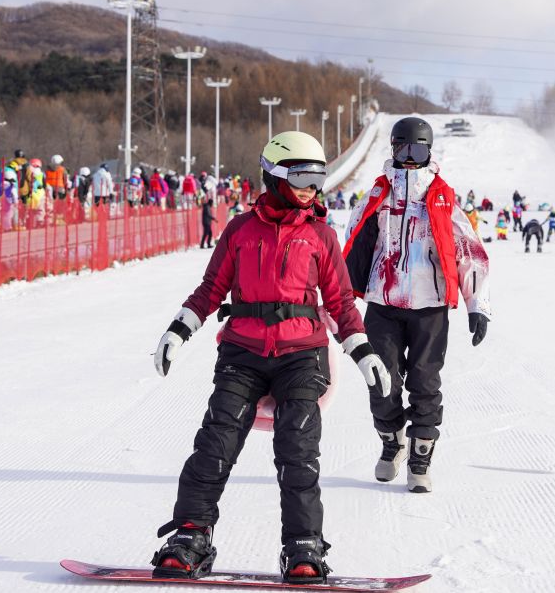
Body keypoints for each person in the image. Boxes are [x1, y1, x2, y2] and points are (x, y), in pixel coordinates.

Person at [149, 131, 388, 585]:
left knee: (298, 452)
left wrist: (364, 353)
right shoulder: (241, 230)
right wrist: (179, 329)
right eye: (301, 176)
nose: (311, 187)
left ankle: (303, 545)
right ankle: (190, 537)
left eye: (318, 177)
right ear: (275, 175)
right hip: (242, 351)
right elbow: (211, 288)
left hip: (302, 355)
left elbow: (340, 303)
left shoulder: (319, 235)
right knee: (215, 444)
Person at [343, 117, 492, 494]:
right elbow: (352, 241)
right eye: (404, 151)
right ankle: (393, 443)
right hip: (383, 301)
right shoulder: (376, 196)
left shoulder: (441, 199)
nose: (410, 160)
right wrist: (341, 295)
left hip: (429, 305)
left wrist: (478, 304)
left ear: (429, 152)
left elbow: (468, 250)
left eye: (419, 151)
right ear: (393, 150)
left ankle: (420, 457)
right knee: (382, 379)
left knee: (425, 381)